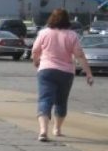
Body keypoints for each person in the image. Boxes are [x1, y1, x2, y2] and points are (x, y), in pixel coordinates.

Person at [31, 8, 94, 141]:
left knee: (44, 100)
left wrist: (36, 61)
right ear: (67, 20)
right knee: (61, 101)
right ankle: (57, 129)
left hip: (46, 70)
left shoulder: (44, 33)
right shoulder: (72, 35)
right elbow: (79, 55)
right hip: (66, 72)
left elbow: (35, 51)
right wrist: (88, 73)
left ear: (51, 18)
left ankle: (43, 131)